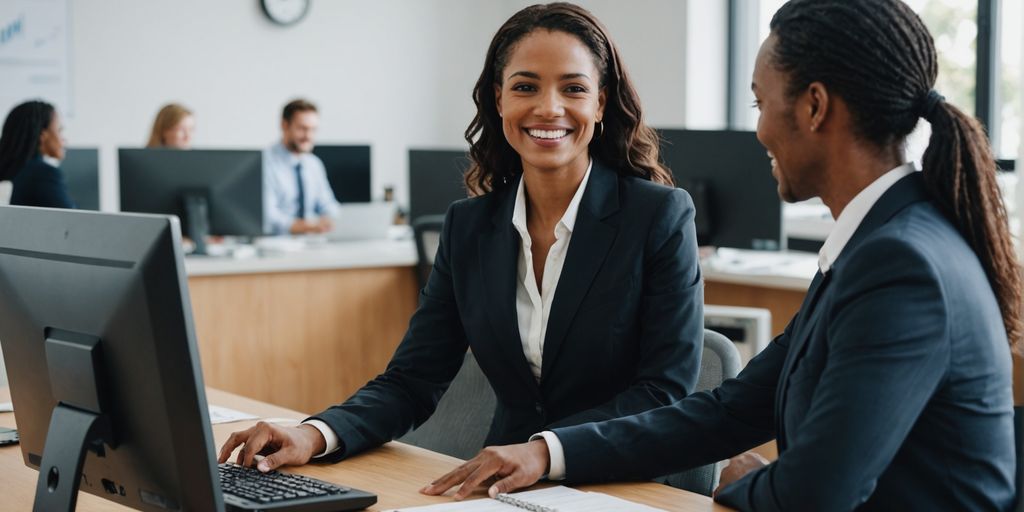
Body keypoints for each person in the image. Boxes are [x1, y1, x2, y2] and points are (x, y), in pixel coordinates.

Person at [423, 1, 1020, 510]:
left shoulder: (901, 263)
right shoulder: (878, 244)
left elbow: (816, 491)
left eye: (760, 105)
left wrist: (731, 484)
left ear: (813, 107)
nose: (757, 132)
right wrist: (547, 453)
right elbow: (732, 411)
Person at [219, 2, 704, 488]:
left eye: (573, 88)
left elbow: (664, 392)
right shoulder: (469, 226)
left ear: (600, 104)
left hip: (621, 484)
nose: (548, 107)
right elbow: (412, 380)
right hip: (503, 491)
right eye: (525, 86)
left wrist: (545, 451)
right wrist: (316, 433)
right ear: (499, 100)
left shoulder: (658, 216)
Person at [262, 98, 340, 235]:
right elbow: (268, 216)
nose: (308, 136)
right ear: (284, 125)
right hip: (279, 243)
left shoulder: (314, 164)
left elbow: (328, 205)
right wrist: (308, 227)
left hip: (313, 242)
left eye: (313, 130)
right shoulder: (264, 163)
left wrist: (331, 220)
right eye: (302, 129)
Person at [0, 100, 74, 209]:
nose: (64, 140)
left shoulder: (12, 171)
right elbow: (73, 223)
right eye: (59, 130)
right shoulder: (44, 174)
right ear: (43, 135)